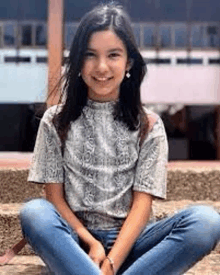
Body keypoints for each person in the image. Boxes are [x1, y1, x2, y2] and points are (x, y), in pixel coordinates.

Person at [19, 3, 220, 275]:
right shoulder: (55, 121)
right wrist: (91, 242)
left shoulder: (149, 125)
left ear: (129, 62)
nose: (101, 67)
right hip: (76, 244)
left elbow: (142, 204)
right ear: (78, 61)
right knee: (34, 212)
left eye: (113, 55)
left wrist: (112, 262)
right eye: (90, 55)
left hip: (134, 243)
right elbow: (54, 198)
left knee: (206, 221)